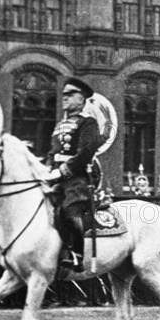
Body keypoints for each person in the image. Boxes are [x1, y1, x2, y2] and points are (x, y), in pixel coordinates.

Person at [43, 78, 104, 272]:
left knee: (70, 210)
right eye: (64, 95)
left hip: (76, 178)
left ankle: (76, 254)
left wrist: (63, 171)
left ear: (81, 99)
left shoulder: (88, 123)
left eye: (70, 95)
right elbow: (53, 151)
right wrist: (47, 169)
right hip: (56, 176)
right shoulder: (61, 124)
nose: (65, 98)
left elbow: (86, 151)